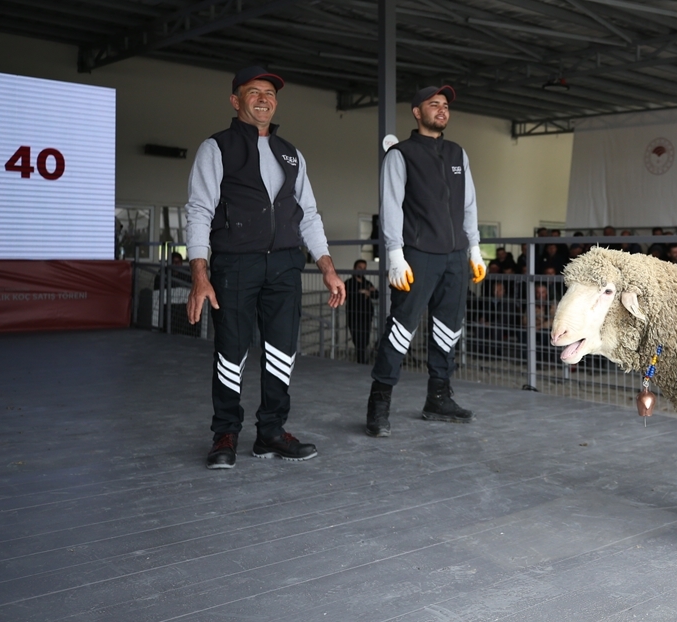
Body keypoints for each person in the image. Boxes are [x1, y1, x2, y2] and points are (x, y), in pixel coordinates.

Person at [186, 66, 345, 470]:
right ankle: (225, 433)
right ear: (235, 101)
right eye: (253, 91)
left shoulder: (291, 153)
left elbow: (308, 213)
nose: (263, 99)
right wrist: (200, 275)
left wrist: (326, 266)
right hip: (235, 264)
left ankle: (271, 433)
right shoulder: (216, 147)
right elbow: (200, 211)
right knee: (231, 351)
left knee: (281, 350)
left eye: (270, 93)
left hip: (286, 265)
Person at [366, 84, 485, 438]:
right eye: (434, 104)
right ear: (417, 112)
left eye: (445, 105)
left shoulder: (457, 153)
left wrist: (474, 249)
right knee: (401, 327)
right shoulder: (401, 154)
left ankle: (438, 398)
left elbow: (469, 205)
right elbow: (389, 206)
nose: (442, 110)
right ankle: (379, 401)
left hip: (454, 255)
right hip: (417, 254)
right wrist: (394, 254)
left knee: (448, 329)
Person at [345, 259, 376, 364]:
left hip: (366, 317)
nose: (362, 270)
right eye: (360, 268)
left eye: (364, 268)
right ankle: (361, 363)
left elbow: (376, 294)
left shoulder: (367, 282)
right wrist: (364, 293)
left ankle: (362, 363)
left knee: (365, 341)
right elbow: (349, 295)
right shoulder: (349, 283)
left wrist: (367, 293)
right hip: (354, 317)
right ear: (354, 268)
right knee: (358, 341)